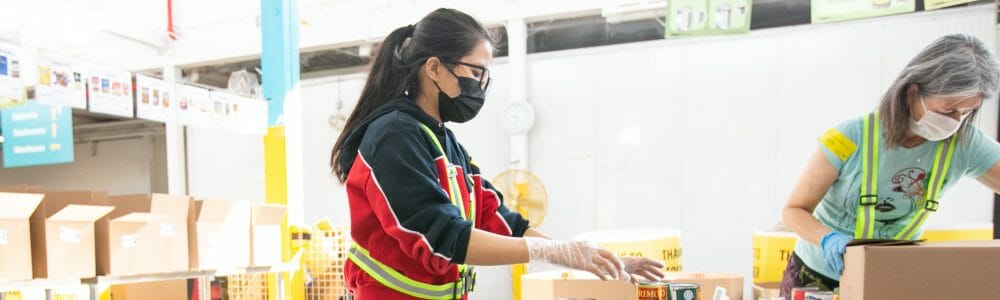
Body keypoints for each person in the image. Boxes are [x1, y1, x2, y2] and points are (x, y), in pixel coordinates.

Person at [330, 8, 665, 299]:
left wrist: (586, 257)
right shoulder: (393, 137)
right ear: (433, 68)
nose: (481, 86)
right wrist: (557, 251)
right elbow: (442, 238)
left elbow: (499, 219)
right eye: (475, 72)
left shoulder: (444, 144)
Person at [780, 33, 1000, 296]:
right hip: (817, 277)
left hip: (889, 277)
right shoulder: (850, 137)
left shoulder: (965, 144)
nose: (955, 122)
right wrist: (826, 239)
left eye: (966, 113)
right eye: (947, 110)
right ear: (912, 92)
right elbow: (793, 210)